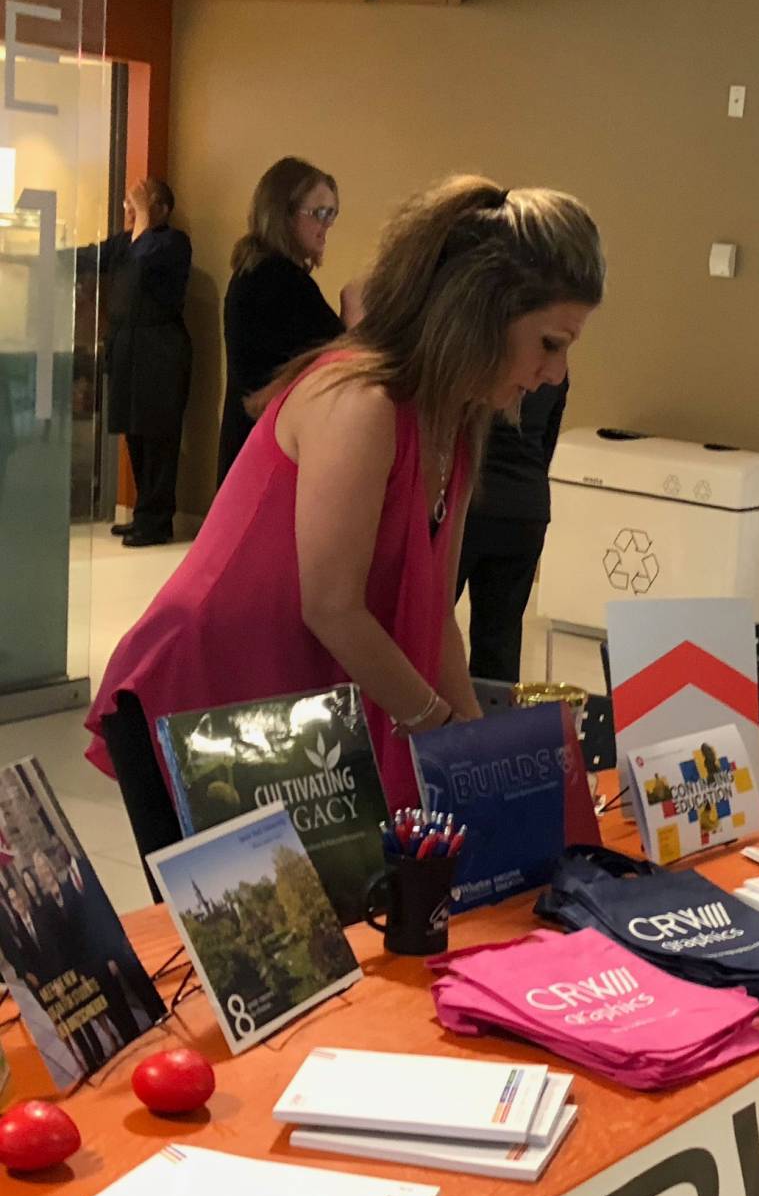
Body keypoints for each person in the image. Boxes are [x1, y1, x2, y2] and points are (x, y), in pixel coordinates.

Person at [86, 177, 605, 807]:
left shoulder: (456, 420)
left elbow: (436, 608)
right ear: (478, 313)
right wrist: (440, 730)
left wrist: (473, 744)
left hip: (302, 698)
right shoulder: (361, 402)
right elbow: (332, 605)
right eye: (551, 344)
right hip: (216, 696)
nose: (556, 373)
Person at [217, 157, 352, 485]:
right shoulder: (279, 280)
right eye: (319, 213)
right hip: (267, 449)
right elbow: (342, 359)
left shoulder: (257, 271)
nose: (327, 225)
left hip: (252, 440)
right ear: (283, 214)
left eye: (331, 213)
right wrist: (354, 307)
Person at [90, 178, 193, 546]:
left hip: (161, 349)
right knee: (135, 432)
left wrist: (144, 216)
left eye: (139, 205)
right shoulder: (125, 242)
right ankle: (143, 514)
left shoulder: (173, 243)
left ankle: (157, 520)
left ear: (161, 210)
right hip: (128, 348)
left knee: (159, 436)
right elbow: (91, 257)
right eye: (129, 205)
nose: (130, 212)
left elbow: (145, 257)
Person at [460, 371, 568, 682]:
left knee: (430, 624)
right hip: (526, 509)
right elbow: (547, 442)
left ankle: (431, 722)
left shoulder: (478, 363)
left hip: (471, 504)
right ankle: (495, 725)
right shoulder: (554, 371)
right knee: (501, 637)